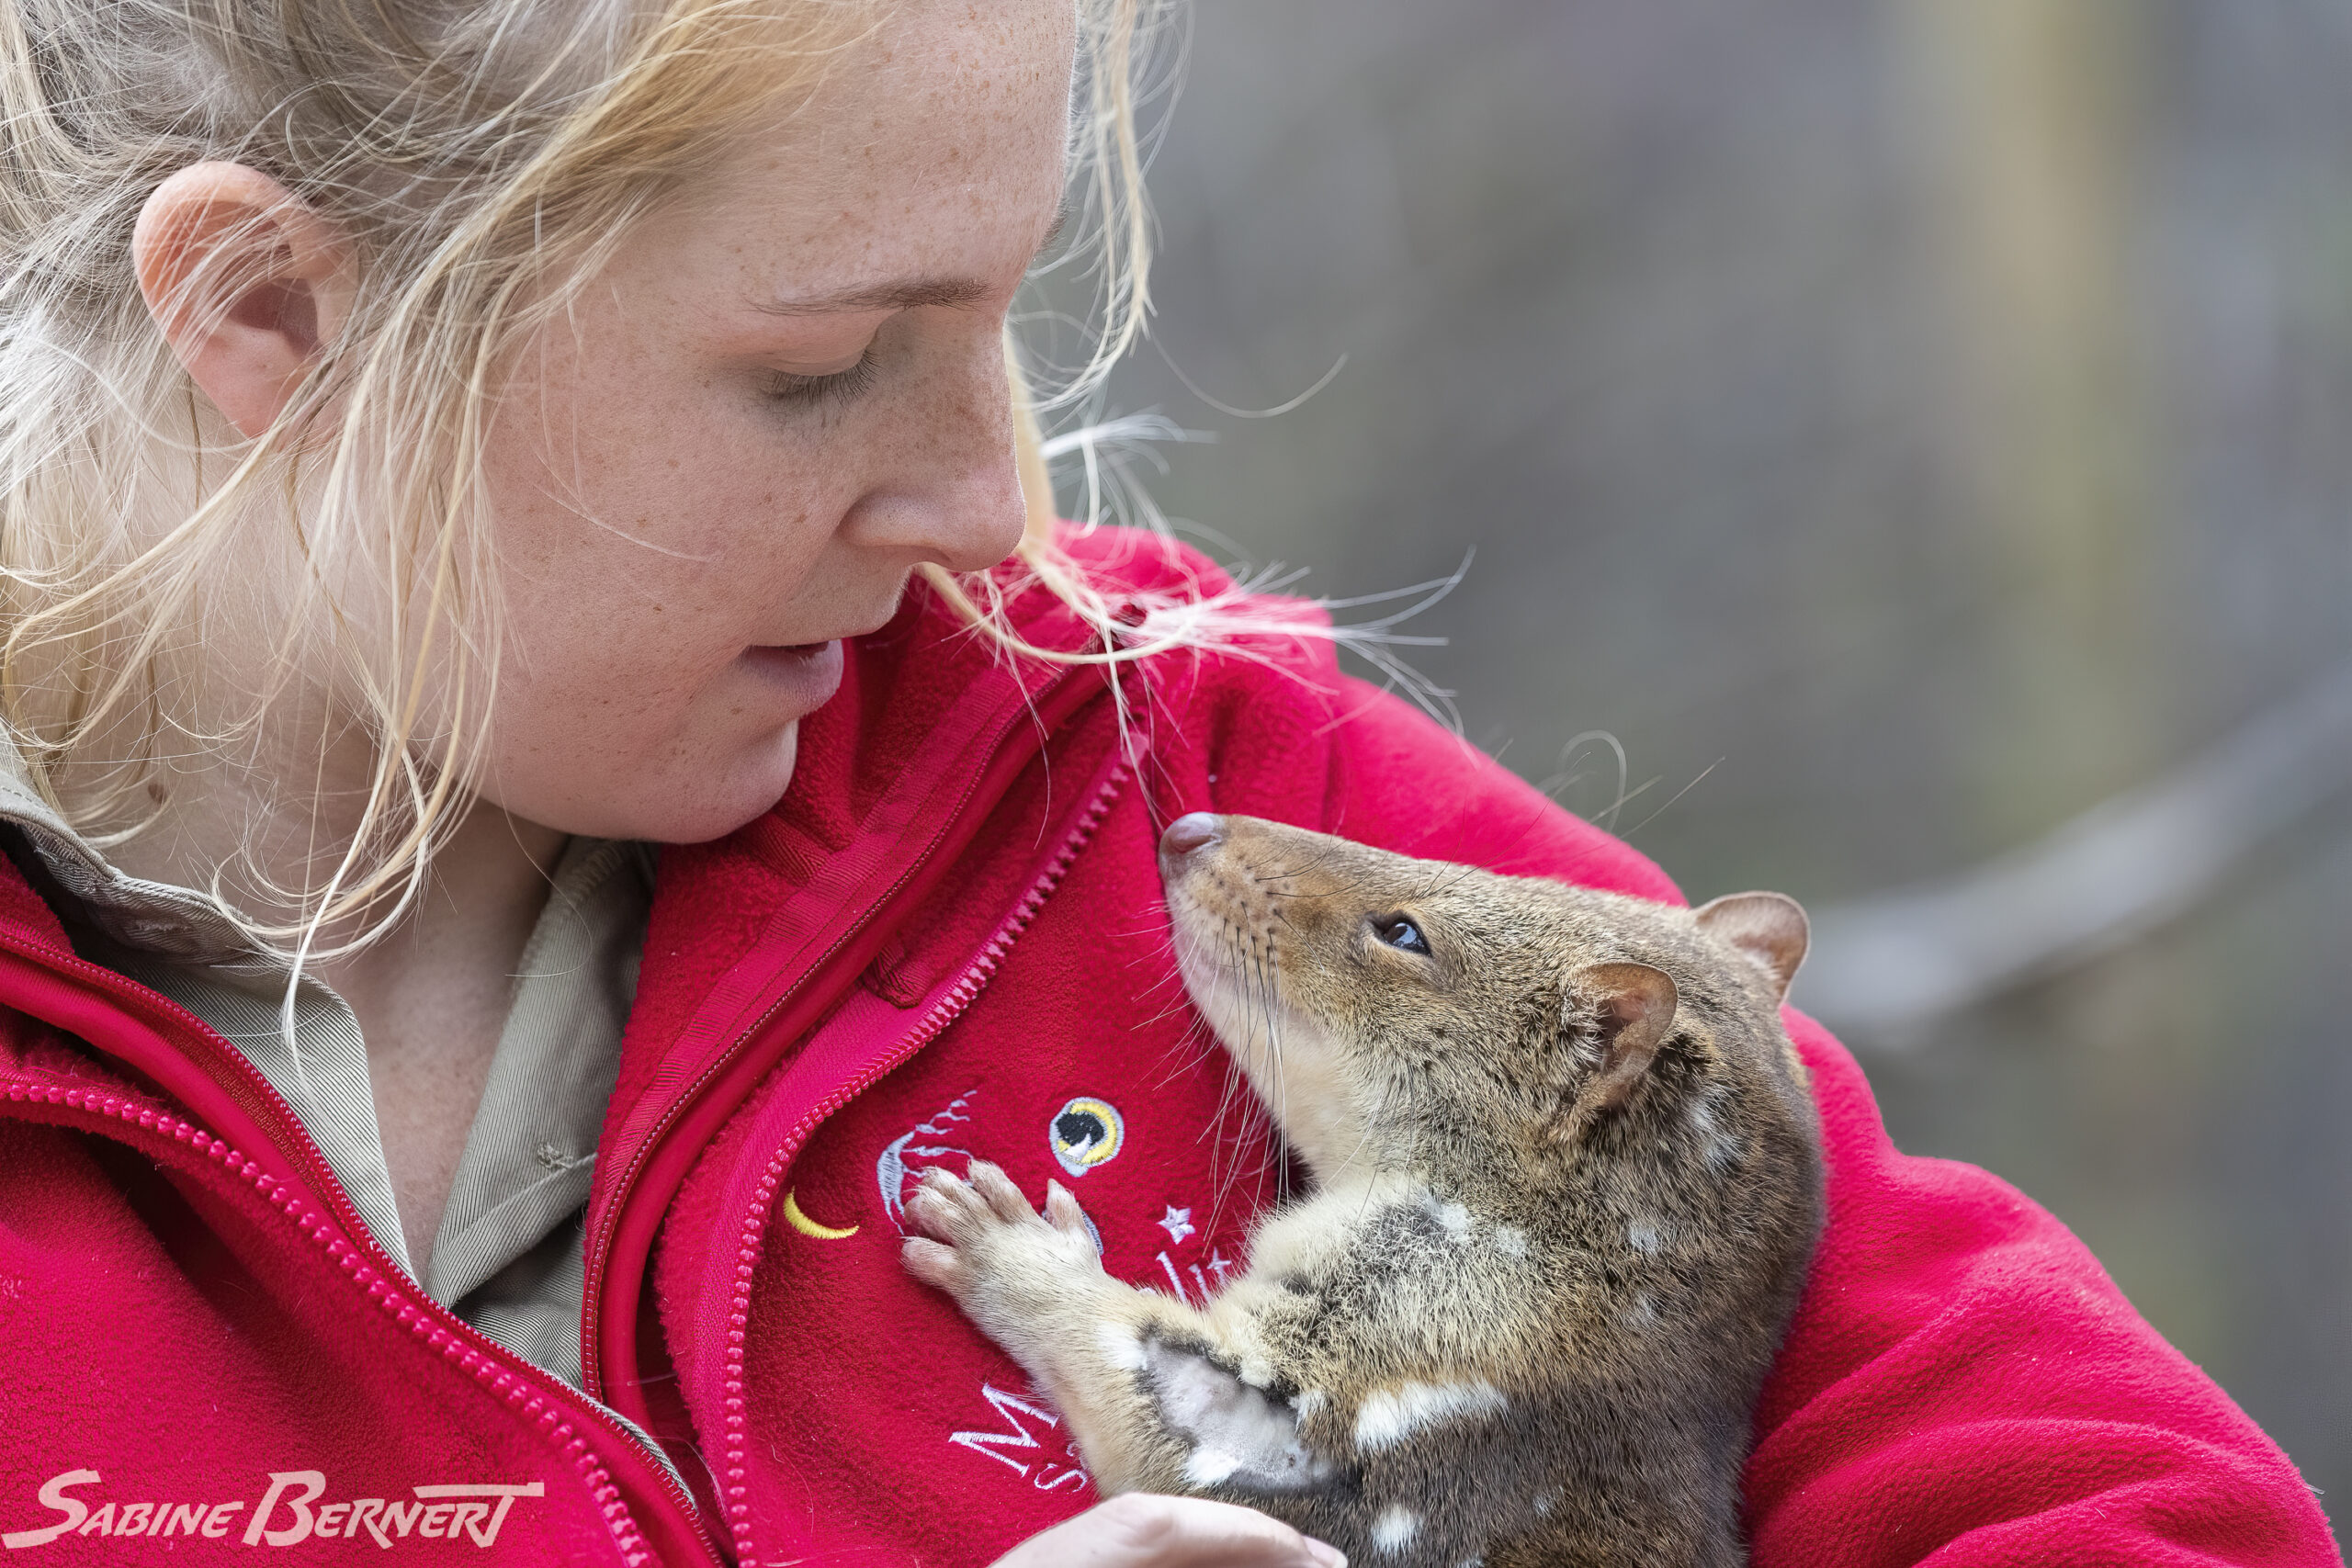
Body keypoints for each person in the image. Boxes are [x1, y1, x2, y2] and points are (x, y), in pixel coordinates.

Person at [0, 1, 2335, 1564]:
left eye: (1000, 310)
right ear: (270, 319)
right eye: (823, 367)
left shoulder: (1140, 759)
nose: (987, 504)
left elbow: (2117, 1495)